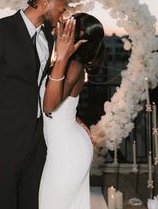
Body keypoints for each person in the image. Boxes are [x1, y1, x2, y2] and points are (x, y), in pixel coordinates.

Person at [0, 0, 69, 209]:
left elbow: (48, 87)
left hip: (37, 138)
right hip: (2, 142)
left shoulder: (49, 38)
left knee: (31, 202)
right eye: (60, 9)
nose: (61, 16)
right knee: (3, 203)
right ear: (44, 3)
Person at [39, 13, 106, 209]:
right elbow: (63, 104)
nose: (60, 28)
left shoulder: (73, 66)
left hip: (66, 151)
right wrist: (74, 117)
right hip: (65, 143)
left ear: (76, 37)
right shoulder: (66, 64)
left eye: (67, 27)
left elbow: (49, 107)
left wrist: (61, 56)